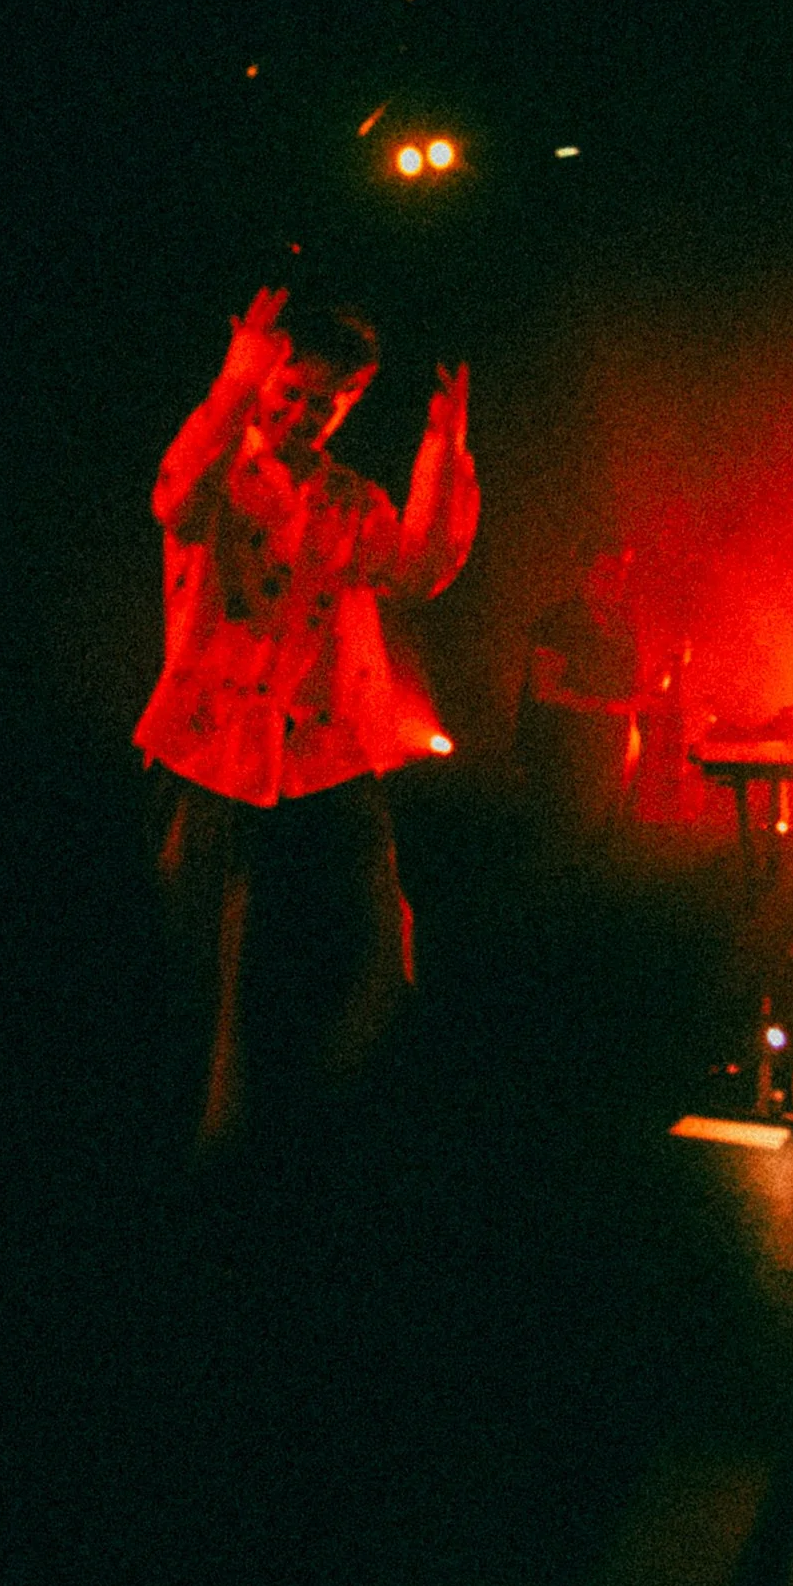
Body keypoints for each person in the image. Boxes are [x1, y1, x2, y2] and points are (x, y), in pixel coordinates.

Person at [136, 285, 477, 1195]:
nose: (303, 416)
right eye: (290, 395)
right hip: (218, 761)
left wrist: (443, 448)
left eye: (326, 404)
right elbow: (175, 500)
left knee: (376, 954)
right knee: (219, 992)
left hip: (325, 763)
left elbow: (418, 569)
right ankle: (213, 1178)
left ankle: (312, 1144)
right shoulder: (219, 471)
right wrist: (238, 380)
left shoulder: (346, 497)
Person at [514, 544, 643, 852]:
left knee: (603, 845)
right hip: (562, 755)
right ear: (585, 576)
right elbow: (544, 690)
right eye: (608, 575)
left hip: (607, 756)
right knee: (563, 843)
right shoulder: (560, 622)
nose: (617, 584)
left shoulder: (621, 626)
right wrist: (608, 708)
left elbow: (627, 689)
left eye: (622, 576)